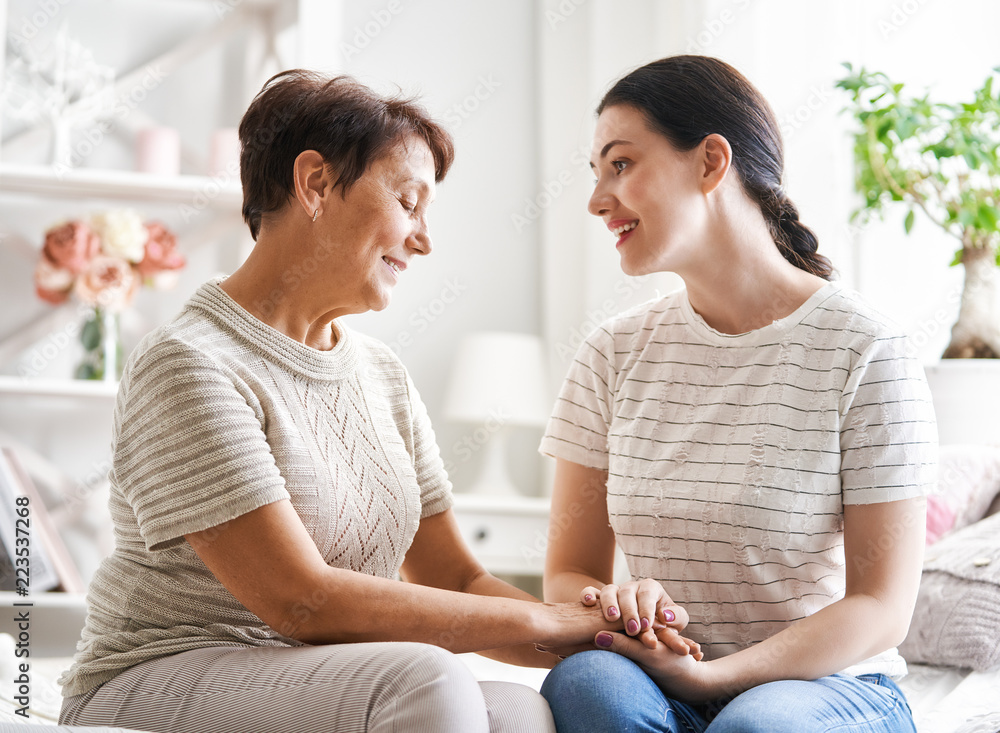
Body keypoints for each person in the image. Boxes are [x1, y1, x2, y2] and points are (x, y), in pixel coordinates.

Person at [57, 70, 645, 733]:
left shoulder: (380, 374)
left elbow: (454, 581)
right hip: (153, 674)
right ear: (314, 185)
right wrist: (545, 616)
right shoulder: (189, 363)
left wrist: (609, 635)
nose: (424, 239)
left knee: (517, 707)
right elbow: (300, 600)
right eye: (408, 200)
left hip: (309, 677)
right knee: (428, 677)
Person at [538, 55, 937, 733]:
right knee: (586, 681)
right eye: (597, 173)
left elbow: (881, 604)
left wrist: (714, 675)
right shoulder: (612, 352)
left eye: (622, 164)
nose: (597, 200)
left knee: (756, 726)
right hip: (662, 682)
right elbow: (569, 570)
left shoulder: (867, 350)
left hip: (826, 689)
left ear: (710, 162)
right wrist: (617, 605)